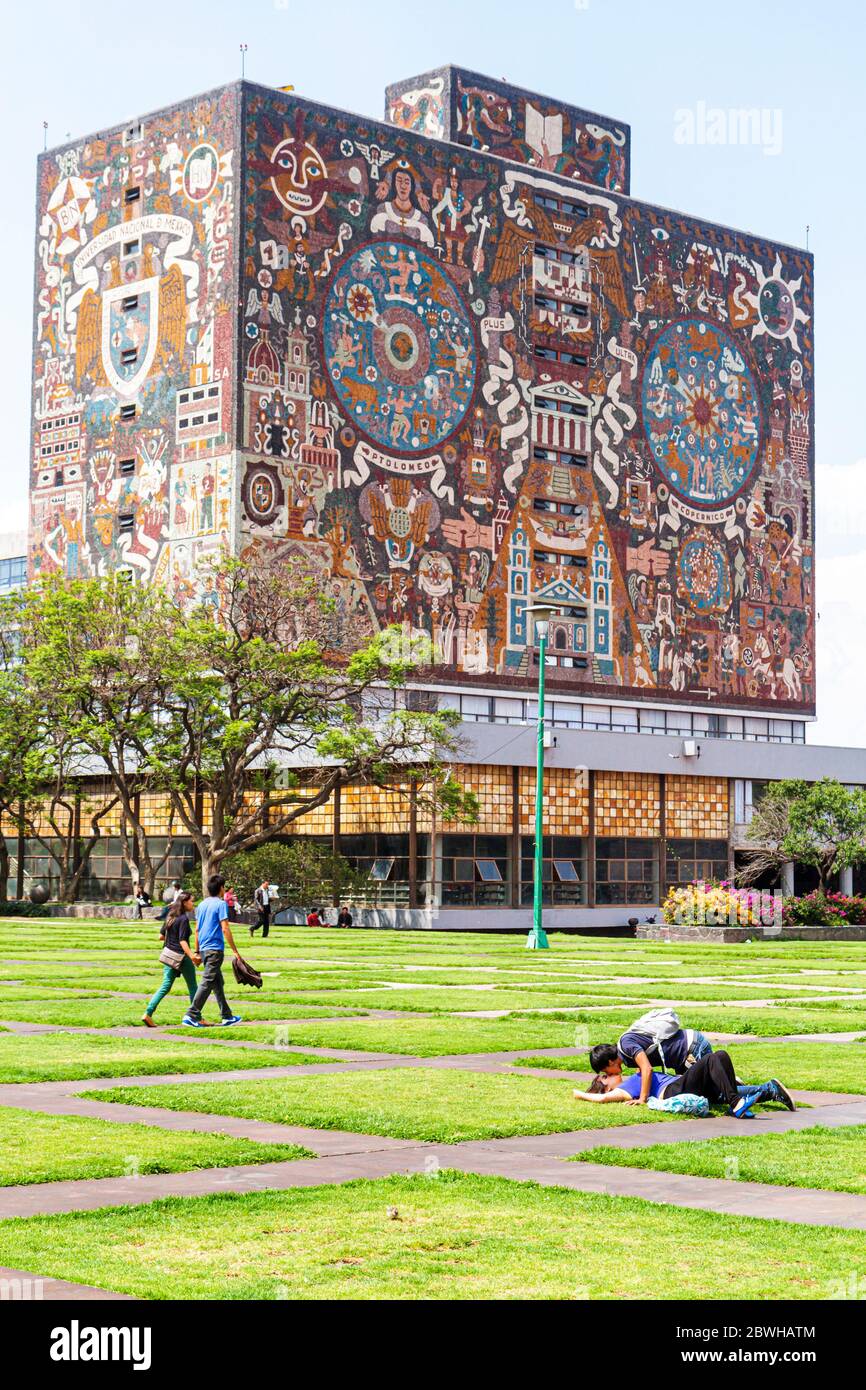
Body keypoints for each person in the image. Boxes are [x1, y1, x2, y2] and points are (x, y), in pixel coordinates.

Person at [574, 1050, 796, 1119]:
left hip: (685, 1085)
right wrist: (580, 1094)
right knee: (714, 1058)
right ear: (605, 1083)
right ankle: (736, 1103)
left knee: (722, 1066)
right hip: (675, 1090)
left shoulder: (633, 1078)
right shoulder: (626, 1088)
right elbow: (602, 1098)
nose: (610, 1074)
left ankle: (765, 1091)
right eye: (605, 1076)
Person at [182, 874, 242, 1028]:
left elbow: (197, 929)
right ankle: (192, 1014)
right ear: (221, 888)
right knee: (208, 981)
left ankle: (227, 1016)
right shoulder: (221, 904)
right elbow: (225, 928)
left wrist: (197, 950)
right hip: (215, 949)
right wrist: (235, 950)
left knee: (217, 982)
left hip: (203, 948)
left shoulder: (201, 905)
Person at [143, 890, 202, 1027]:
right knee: (193, 986)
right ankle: (196, 1017)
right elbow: (182, 941)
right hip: (181, 957)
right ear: (184, 902)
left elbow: (161, 936)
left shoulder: (170, 916)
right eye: (191, 901)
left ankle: (148, 1013)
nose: (193, 903)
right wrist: (192, 956)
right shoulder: (183, 919)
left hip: (169, 957)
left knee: (165, 986)